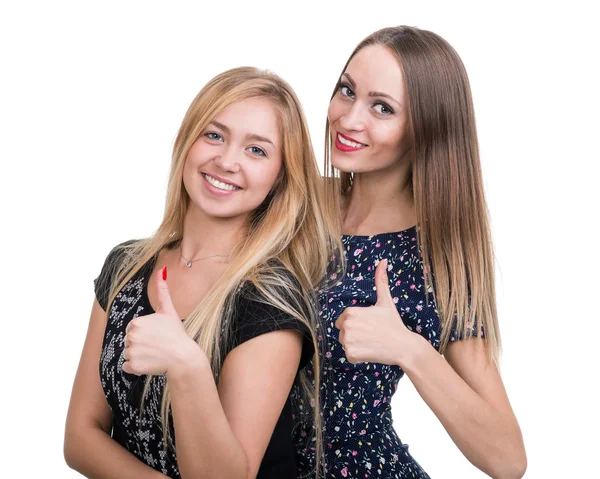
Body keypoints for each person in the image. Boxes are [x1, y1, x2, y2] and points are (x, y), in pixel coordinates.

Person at [64, 66, 342, 479]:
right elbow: (79, 438)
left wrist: (187, 365)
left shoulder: (271, 300)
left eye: (257, 150)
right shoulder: (126, 265)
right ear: (188, 140)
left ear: (279, 178)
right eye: (214, 135)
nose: (226, 160)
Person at [293, 26, 527, 478]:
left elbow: (508, 458)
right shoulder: (293, 205)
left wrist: (409, 349)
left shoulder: (433, 259)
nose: (349, 118)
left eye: (381, 107)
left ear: (426, 128)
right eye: (347, 91)